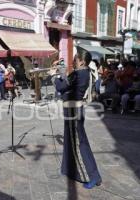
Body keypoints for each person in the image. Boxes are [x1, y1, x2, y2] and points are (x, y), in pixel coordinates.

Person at [51, 51, 102, 189]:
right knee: (70, 141)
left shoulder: (80, 74)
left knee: (80, 143)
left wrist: (54, 76)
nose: (73, 61)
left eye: (75, 59)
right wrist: (61, 74)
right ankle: (68, 169)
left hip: (73, 111)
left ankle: (93, 176)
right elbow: (68, 84)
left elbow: (61, 86)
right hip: (72, 110)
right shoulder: (81, 73)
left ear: (82, 62)